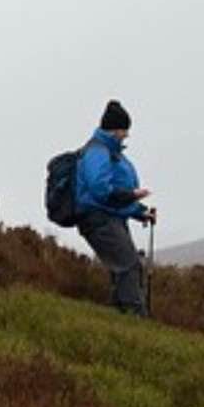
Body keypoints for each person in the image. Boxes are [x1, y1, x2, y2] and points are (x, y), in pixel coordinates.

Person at [74, 99, 156, 316]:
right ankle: (135, 318)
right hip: (99, 219)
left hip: (110, 217)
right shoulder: (97, 151)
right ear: (114, 130)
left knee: (124, 267)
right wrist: (131, 195)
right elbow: (101, 189)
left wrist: (140, 212)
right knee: (128, 265)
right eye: (123, 130)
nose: (126, 135)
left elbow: (113, 196)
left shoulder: (110, 152)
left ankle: (125, 315)